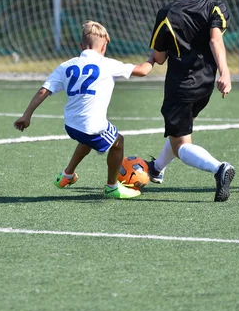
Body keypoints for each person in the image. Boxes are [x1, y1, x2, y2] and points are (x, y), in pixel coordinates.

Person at [14, 21, 155, 199]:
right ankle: (112, 187)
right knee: (118, 142)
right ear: (104, 46)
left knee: (87, 139)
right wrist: (153, 58)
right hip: (91, 126)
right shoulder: (107, 64)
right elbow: (143, 71)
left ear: (81, 46)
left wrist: (26, 116)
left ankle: (67, 175)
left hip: (71, 125)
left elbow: (44, 91)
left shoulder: (65, 66)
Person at [145, 0, 235, 202]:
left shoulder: (167, 13)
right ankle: (157, 169)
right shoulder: (215, 7)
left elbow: (160, 58)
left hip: (181, 86)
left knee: (182, 147)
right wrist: (225, 73)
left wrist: (151, 57)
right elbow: (216, 41)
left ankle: (220, 169)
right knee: (180, 131)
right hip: (206, 84)